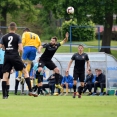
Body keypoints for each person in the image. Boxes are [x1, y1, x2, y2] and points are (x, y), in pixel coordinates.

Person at [0, 22, 37, 99]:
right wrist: (20, 56)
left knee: (5, 76)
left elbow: (1, 46)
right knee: (25, 72)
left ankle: (4, 96)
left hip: (7, 57)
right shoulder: (18, 37)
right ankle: (31, 90)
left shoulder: (4, 37)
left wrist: (5, 48)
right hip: (15, 56)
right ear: (16, 28)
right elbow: (20, 49)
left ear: (9, 28)